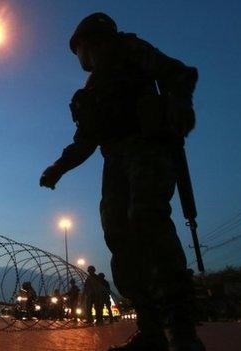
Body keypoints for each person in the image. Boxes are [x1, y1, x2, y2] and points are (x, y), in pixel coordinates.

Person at [39, 12, 205, 351]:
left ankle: (182, 330)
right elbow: (86, 138)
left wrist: (178, 114)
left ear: (91, 41)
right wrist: (59, 167)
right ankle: (151, 330)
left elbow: (181, 74)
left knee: (148, 222)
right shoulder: (93, 88)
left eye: (80, 49)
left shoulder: (130, 50)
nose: (79, 58)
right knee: (119, 235)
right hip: (115, 162)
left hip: (147, 149)